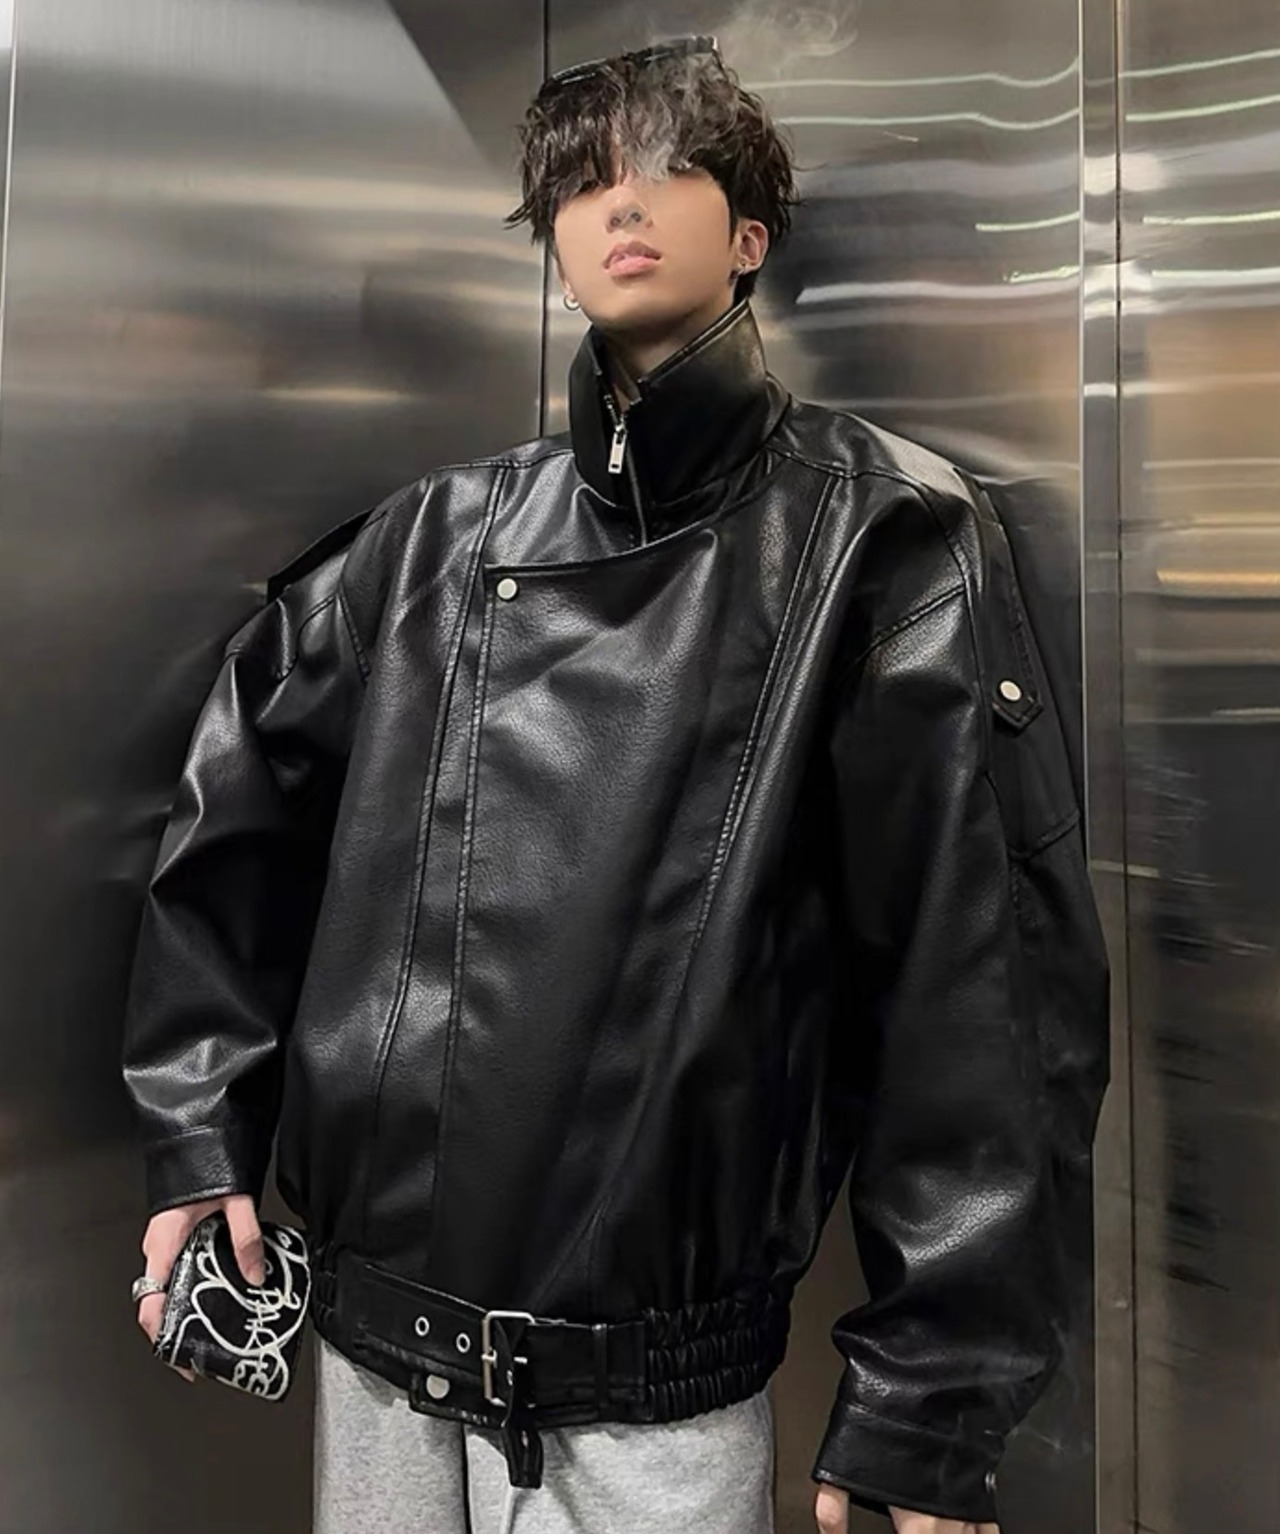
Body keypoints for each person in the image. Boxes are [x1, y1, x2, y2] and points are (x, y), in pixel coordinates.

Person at [122, 36, 1108, 1534]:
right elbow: (231, 821)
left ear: (751, 234)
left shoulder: (882, 537)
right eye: (582, 182)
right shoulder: (432, 537)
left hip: (650, 1394)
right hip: (370, 1351)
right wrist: (201, 1130)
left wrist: (935, 1395)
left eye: (668, 167)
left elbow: (979, 984)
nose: (621, 203)